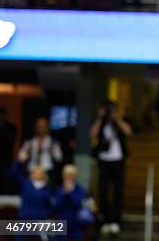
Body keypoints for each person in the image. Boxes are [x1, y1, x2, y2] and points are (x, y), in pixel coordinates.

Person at [89, 100, 132, 236]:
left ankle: (116, 221)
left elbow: (128, 131)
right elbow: (92, 134)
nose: (108, 112)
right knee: (102, 191)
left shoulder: (118, 121)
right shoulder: (101, 123)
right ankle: (105, 220)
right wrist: (100, 117)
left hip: (118, 160)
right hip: (103, 160)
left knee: (117, 192)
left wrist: (116, 118)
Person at [53, 164, 89, 240]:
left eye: (71, 175)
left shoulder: (80, 189)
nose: (68, 177)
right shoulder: (58, 190)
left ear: (75, 176)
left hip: (76, 226)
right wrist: (64, 194)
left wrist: (70, 193)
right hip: (61, 226)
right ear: (63, 176)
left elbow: (79, 204)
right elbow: (56, 206)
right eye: (66, 174)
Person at [0, 106, 16, 194]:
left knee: (6, 177)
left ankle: (6, 194)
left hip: (6, 157)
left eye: (2, 115)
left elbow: (10, 141)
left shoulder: (11, 127)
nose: (0, 117)